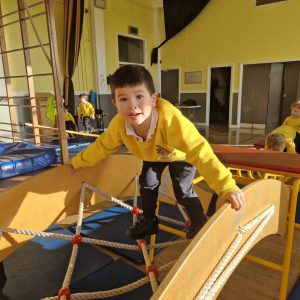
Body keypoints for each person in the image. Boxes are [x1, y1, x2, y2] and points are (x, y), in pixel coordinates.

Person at [71, 65, 245, 239]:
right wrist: (78, 161)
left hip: (179, 155)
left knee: (182, 191)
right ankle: (150, 221)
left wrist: (226, 187)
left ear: (153, 99)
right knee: (146, 184)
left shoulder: (170, 119)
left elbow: (200, 150)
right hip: (153, 155)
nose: (133, 106)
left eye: (139, 97)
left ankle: (199, 223)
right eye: (123, 99)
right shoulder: (119, 125)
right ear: (115, 103)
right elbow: (102, 146)